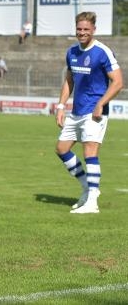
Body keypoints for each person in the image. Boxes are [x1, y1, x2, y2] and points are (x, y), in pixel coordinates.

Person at [55, 11, 123, 214]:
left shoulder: (102, 52)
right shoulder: (72, 52)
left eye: (86, 29)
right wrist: (60, 106)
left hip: (95, 111)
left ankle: (92, 202)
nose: (82, 32)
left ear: (94, 29)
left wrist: (101, 103)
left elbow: (118, 82)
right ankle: (87, 188)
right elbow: (69, 80)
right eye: (79, 29)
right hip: (76, 111)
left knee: (90, 152)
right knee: (61, 148)